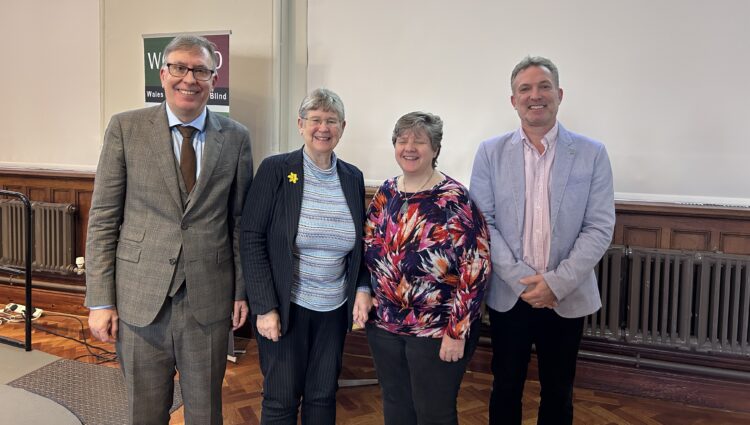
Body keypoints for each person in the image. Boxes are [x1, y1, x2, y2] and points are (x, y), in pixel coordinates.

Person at [84, 35, 253, 424]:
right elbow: (103, 218)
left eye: (200, 70)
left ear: (214, 78)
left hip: (208, 303)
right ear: (162, 74)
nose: (188, 78)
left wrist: (240, 291)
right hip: (140, 300)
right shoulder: (126, 128)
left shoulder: (237, 137)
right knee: (144, 412)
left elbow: (240, 222)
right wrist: (100, 300)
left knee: (205, 413)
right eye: (179, 67)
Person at [470, 56, 615, 424]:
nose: (535, 96)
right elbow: (483, 223)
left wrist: (555, 283)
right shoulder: (490, 152)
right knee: (505, 388)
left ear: (559, 94)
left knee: (558, 392)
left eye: (544, 87)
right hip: (509, 294)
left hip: (565, 296)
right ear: (513, 99)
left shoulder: (592, 153)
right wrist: (524, 282)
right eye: (525, 89)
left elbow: (599, 227)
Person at [240, 88, 372, 424]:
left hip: (333, 308)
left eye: (331, 121)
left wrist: (362, 287)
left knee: (323, 396)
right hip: (286, 308)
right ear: (301, 124)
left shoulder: (352, 177)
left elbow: (362, 245)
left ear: (342, 127)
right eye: (315, 119)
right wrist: (264, 307)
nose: (323, 128)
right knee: (282, 399)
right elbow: (251, 237)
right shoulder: (277, 170)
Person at [363, 111, 491, 425]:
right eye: (402, 140)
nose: (409, 147)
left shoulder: (454, 198)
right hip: (385, 325)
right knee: (396, 407)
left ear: (435, 149)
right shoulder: (387, 192)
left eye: (419, 141)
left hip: (437, 330)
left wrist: (457, 332)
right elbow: (368, 246)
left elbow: (476, 267)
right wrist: (364, 292)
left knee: (434, 414)